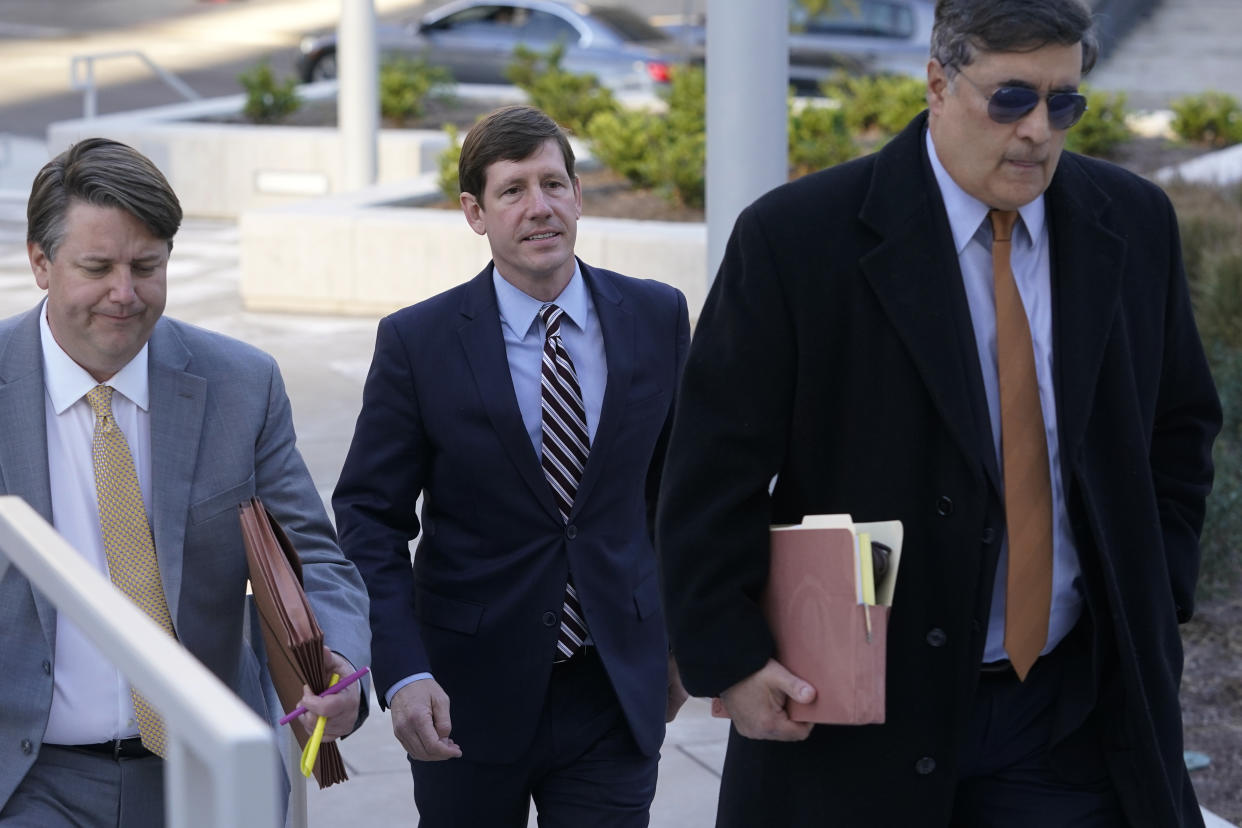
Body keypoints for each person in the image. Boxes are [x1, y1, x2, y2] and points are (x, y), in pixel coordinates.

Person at [656, 1, 1222, 826]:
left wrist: (1156, 587)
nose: (1038, 129)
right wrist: (731, 658)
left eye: (1064, 102)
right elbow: (709, 473)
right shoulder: (797, 241)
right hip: (857, 715)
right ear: (936, 83)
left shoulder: (1132, 223)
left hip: (1068, 711)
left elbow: (1181, 425)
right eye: (1011, 98)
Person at [333, 104, 690, 827]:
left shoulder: (657, 316)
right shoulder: (419, 341)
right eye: (513, 190)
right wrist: (404, 672)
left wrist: (685, 641)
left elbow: (681, 494)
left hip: (614, 687)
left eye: (553, 184)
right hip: (463, 698)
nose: (540, 208)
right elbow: (370, 520)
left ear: (579, 195)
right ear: (474, 212)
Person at [0, 138, 371, 826]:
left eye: (147, 266)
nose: (126, 293)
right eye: (97, 267)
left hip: (205, 777)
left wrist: (340, 660)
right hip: (27, 779)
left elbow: (315, 557)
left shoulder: (240, 386)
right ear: (40, 262)